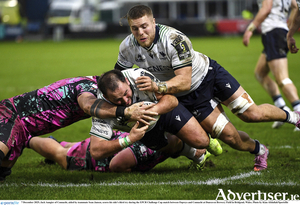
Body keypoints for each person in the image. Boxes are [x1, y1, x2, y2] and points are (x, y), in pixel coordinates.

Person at [114, 5, 300, 171]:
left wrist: (157, 86)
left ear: (153, 22)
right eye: (135, 28)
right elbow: (117, 78)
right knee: (229, 137)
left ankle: (294, 117)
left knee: (252, 114)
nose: (140, 32)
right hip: (187, 95)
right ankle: (260, 150)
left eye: (144, 26)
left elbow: (184, 81)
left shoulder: (174, 40)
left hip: (209, 75)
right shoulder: (127, 47)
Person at [0, 75, 158, 181]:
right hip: (13, 115)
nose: (123, 101)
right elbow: (88, 105)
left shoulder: (98, 88)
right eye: (117, 98)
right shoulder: (88, 87)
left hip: (24, 130)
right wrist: (124, 111)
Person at [88, 68, 222, 170]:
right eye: (118, 100)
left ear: (127, 82)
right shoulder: (102, 110)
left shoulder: (139, 77)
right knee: (170, 148)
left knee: (201, 141)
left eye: (126, 93)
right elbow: (95, 151)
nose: (125, 101)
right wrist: (129, 139)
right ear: (106, 97)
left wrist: (150, 113)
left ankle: (206, 138)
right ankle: (197, 155)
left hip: (161, 110)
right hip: (143, 131)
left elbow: (172, 100)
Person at [243, 0, 300, 131]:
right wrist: (289, 25)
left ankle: (298, 112)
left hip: (273, 32)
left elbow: (266, 8)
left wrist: (250, 29)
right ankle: (282, 108)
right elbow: (295, 5)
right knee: (260, 73)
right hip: (279, 32)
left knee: (282, 79)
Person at [28, 131, 171, 173]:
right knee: (63, 156)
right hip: (103, 154)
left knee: (77, 148)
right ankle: (26, 139)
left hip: (110, 141)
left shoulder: (167, 135)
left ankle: (56, 142)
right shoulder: (149, 149)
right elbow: (117, 165)